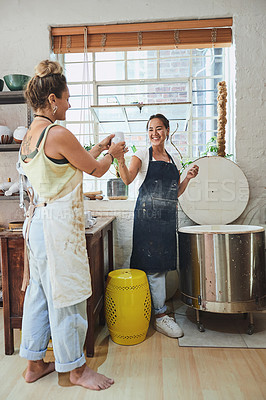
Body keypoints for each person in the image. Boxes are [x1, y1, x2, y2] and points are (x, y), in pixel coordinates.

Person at [17, 60, 126, 390]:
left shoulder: (30, 135)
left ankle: (34, 364)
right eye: (66, 98)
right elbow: (95, 170)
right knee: (68, 295)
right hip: (57, 227)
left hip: (37, 225)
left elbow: (67, 165)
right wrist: (114, 152)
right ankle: (75, 370)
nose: (69, 103)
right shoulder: (58, 133)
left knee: (39, 294)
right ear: (52, 99)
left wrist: (97, 149)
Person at [117, 114, 199, 338]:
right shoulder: (142, 154)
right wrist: (120, 160)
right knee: (152, 269)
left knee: (161, 267)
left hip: (166, 220)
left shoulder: (174, 159)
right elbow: (126, 180)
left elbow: (176, 192)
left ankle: (153, 312)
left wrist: (188, 177)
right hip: (147, 220)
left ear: (168, 130)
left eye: (159, 128)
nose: (154, 133)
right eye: (151, 129)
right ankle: (161, 316)